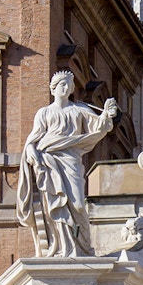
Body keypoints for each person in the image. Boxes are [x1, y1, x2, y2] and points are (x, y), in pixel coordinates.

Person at [17, 70, 119, 257]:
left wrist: (107, 114)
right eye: (62, 84)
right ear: (53, 88)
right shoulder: (44, 112)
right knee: (53, 205)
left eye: (69, 85)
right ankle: (59, 247)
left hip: (71, 160)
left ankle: (82, 247)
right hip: (48, 159)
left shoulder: (79, 110)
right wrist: (32, 155)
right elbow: (32, 141)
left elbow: (100, 127)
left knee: (78, 205)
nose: (66, 88)